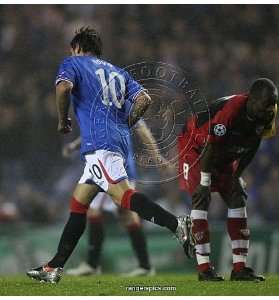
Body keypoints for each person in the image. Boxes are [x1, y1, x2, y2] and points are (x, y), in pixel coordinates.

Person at [26, 27, 191, 284]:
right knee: (79, 203)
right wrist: (124, 124)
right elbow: (144, 99)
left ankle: (177, 225)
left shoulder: (73, 63)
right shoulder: (118, 72)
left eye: (72, 50)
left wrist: (63, 120)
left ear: (77, 48)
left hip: (100, 147)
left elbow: (63, 89)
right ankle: (53, 267)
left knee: (124, 198)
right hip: (113, 145)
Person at [178, 78, 278, 281]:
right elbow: (210, 146)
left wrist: (237, 176)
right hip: (196, 147)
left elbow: (253, 145)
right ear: (252, 99)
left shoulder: (268, 113)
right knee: (201, 198)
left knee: (237, 197)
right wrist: (205, 183)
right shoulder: (231, 111)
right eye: (266, 104)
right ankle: (204, 269)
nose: (269, 109)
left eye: (272, 105)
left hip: (224, 152)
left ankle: (239, 269)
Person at [63, 120, 164, 277]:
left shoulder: (122, 105)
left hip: (116, 169)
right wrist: (74, 146)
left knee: (98, 212)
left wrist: (157, 157)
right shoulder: (102, 108)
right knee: (124, 215)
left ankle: (93, 264)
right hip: (108, 168)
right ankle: (144, 266)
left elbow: (142, 128)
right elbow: (93, 132)